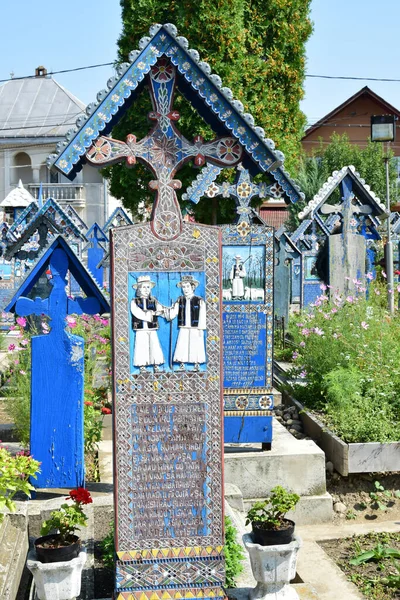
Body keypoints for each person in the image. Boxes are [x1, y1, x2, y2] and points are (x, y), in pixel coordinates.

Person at [167, 275, 206, 370]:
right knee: (182, 344)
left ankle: (196, 364)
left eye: (187, 286)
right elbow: (173, 312)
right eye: (183, 287)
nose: (185, 289)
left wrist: (201, 328)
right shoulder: (180, 300)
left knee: (196, 344)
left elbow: (202, 315)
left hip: (195, 327)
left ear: (193, 287)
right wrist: (168, 313)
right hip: (184, 326)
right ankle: (182, 363)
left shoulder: (199, 300)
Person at [130, 275, 165, 372]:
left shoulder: (153, 301)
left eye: (148, 287)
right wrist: (150, 314)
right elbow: (137, 312)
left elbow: (160, 309)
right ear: (139, 289)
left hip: (152, 328)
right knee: (141, 345)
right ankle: (142, 366)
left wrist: (164, 312)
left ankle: (156, 364)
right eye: (144, 287)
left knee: (154, 345)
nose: (146, 290)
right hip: (140, 328)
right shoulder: (134, 301)